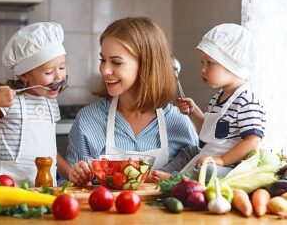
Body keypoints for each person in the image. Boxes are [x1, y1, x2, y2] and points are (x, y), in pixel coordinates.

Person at [65, 16, 199, 186]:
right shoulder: (88, 121)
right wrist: (76, 176)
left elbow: (193, 187)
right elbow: (69, 188)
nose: (104, 70)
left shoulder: (179, 123)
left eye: (116, 62)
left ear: (146, 65)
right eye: (102, 60)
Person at [0, 22, 71, 187]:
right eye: (48, 72)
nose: (58, 77)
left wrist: (70, 173)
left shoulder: (50, 102)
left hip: (47, 189)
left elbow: (49, 150)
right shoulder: (8, 101)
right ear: (25, 75)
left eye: (62, 67)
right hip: (13, 191)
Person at [152, 23, 266, 180]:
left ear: (232, 64)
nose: (203, 69)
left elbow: (253, 140)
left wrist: (222, 160)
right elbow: (211, 131)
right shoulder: (218, 97)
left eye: (209, 63)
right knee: (190, 151)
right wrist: (194, 112)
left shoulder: (246, 100)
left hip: (231, 165)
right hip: (211, 155)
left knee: (209, 171)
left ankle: (175, 179)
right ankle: (162, 173)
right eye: (202, 63)